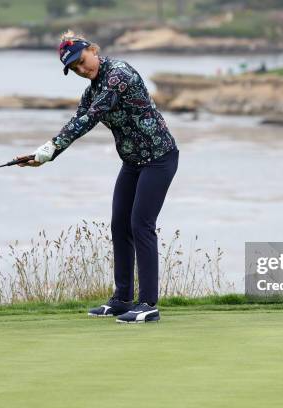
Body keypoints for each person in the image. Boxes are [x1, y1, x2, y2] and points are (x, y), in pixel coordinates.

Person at [15, 30, 179, 323]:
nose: (81, 69)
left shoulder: (119, 74)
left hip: (159, 159)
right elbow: (76, 120)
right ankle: (122, 299)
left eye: (81, 60)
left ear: (92, 49)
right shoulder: (92, 89)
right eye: (75, 68)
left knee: (141, 224)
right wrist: (43, 155)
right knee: (119, 224)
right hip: (132, 162)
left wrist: (50, 148)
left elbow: (90, 118)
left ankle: (149, 304)